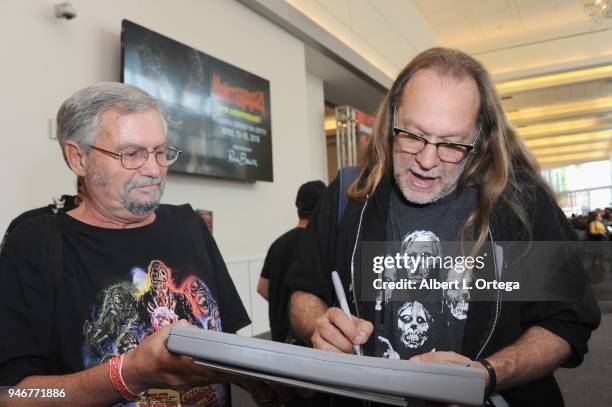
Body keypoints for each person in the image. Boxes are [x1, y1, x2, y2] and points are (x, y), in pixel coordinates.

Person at [286, 48, 600, 406]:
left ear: (480, 138)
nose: (427, 160)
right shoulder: (348, 197)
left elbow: (565, 323)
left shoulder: (521, 204)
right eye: (413, 135)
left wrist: (487, 374)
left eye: (452, 143)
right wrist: (318, 323)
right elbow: (302, 293)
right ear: (390, 121)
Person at [0, 82, 277, 406]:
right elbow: (15, 395)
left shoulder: (189, 225)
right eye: (131, 153)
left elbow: (225, 344)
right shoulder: (36, 245)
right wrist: (129, 374)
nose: (154, 169)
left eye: (160, 151)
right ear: (79, 158)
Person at [257, 180, 326, 342]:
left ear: (297, 206)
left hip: (278, 340)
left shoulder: (278, 244)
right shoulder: (321, 245)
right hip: (308, 346)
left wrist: (281, 304)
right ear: (324, 207)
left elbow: (262, 287)